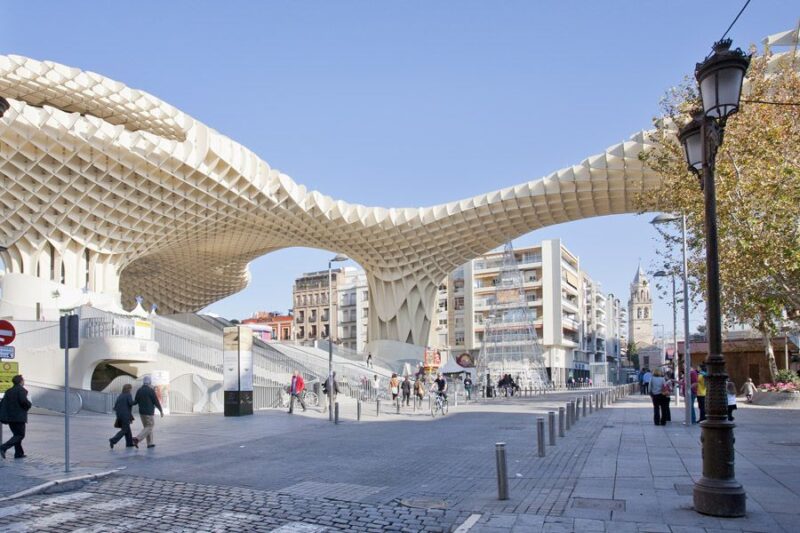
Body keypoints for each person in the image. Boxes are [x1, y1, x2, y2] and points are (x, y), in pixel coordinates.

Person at [0, 375, 32, 459]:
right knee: (20, 435)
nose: (24, 381)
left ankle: (19, 453)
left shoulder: (8, 391)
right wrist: (29, 405)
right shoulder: (21, 390)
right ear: (20, 381)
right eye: (23, 380)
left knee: (16, 435)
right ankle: (3, 447)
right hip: (19, 417)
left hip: (10, 417)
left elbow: (3, 403)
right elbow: (24, 401)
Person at [134, 376, 164, 448]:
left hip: (141, 412)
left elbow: (136, 401)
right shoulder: (150, 390)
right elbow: (156, 401)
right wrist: (161, 410)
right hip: (148, 412)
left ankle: (150, 443)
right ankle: (137, 438)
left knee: (147, 427)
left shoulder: (139, 390)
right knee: (150, 426)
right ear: (149, 382)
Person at [109, 384, 136, 449]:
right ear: (129, 389)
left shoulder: (120, 395)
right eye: (130, 388)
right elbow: (131, 403)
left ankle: (129, 443)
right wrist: (137, 401)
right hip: (125, 415)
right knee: (125, 429)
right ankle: (113, 440)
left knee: (127, 429)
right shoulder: (128, 394)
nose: (131, 390)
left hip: (119, 415)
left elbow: (115, 407)